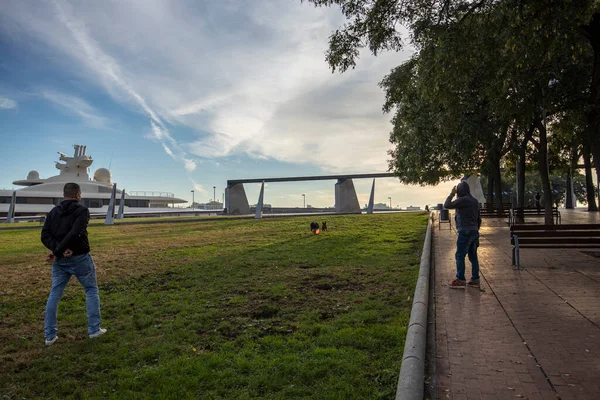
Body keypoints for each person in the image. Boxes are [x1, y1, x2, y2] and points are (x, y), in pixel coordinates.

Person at [41, 182, 106, 345]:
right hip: (80, 258)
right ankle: (94, 329)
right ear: (78, 195)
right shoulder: (82, 211)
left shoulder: (53, 212)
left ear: (64, 194)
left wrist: (57, 250)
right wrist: (62, 250)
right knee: (91, 290)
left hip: (60, 261)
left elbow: (45, 235)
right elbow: (75, 232)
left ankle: (50, 335)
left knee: (55, 293)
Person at [444, 182, 482, 288]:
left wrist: (451, 194)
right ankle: (475, 279)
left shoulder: (462, 200)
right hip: (474, 231)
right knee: (473, 256)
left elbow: (446, 205)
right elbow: (479, 218)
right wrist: (475, 229)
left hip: (465, 231)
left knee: (460, 255)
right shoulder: (474, 201)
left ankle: (460, 279)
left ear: (460, 191)